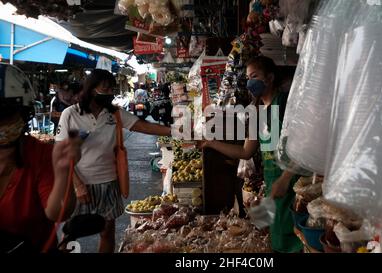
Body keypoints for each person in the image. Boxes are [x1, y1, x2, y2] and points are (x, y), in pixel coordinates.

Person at [55, 69, 171, 253]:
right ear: (92, 89)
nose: (110, 92)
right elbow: (62, 153)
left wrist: (178, 131)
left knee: (107, 232)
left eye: (112, 88)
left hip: (108, 182)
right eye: (105, 88)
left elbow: (143, 126)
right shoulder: (70, 114)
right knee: (70, 234)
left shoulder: (114, 114)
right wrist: (77, 185)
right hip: (79, 184)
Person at [199, 56, 302, 253]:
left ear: (270, 78)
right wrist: (212, 143)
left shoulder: (285, 105)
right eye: (247, 78)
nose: (249, 82)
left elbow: (303, 146)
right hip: (274, 189)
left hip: (294, 186)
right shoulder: (257, 113)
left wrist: (286, 178)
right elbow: (245, 152)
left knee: (297, 242)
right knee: (277, 243)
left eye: (254, 76)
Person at [0, 63, 81, 252]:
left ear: (24, 114)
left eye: (6, 115)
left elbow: (57, 213)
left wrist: (63, 173)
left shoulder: (40, 154)